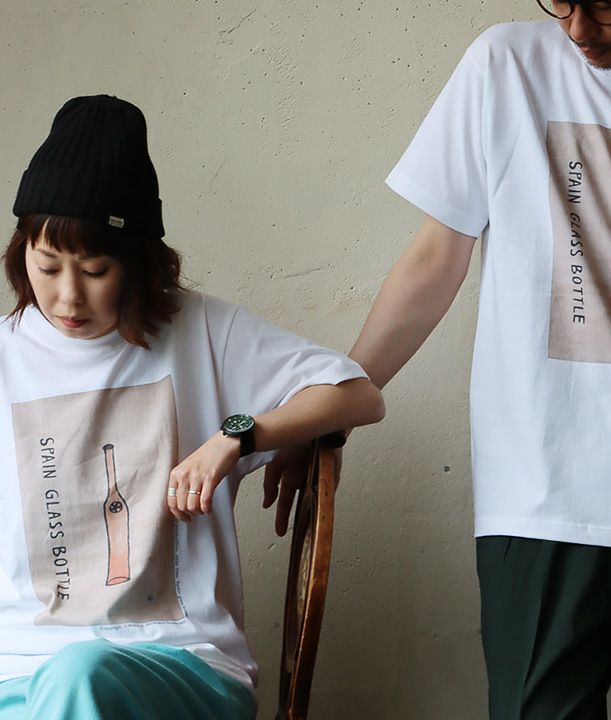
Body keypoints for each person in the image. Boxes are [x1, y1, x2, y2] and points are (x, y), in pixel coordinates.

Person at [261, 1, 611, 717]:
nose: (578, 29)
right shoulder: (507, 66)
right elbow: (433, 262)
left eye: (603, 4)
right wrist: (331, 409)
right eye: (561, 2)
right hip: (539, 501)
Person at [0, 94, 384, 720]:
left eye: (93, 271)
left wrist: (237, 436)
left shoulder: (200, 331)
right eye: (47, 267)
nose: (66, 297)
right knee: (66, 678)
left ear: (135, 263)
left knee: (80, 674)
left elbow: (356, 394)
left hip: (180, 664)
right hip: (17, 672)